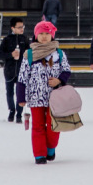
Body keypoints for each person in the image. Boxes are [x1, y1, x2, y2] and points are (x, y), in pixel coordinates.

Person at [15, 20, 72, 164]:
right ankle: (39, 154)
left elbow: (66, 70)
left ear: (52, 35)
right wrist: (21, 97)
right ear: (36, 35)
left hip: (55, 97)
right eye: (41, 33)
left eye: (47, 33)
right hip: (35, 97)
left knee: (53, 125)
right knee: (38, 126)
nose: (44, 36)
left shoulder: (59, 53)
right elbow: (22, 77)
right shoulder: (29, 54)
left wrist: (59, 80)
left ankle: (50, 147)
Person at [0, 18, 29, 124]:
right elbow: (0, 54)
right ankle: (11, 110)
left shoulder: (25, 39)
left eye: (22, 27)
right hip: (9, 70)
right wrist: (10, 55)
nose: (21, 29)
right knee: (9, 92)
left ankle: (19, 113)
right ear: (12, 28)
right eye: (19, 27)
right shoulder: (6, 40)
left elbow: (30, 53)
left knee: (20, 93)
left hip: (22, 70)